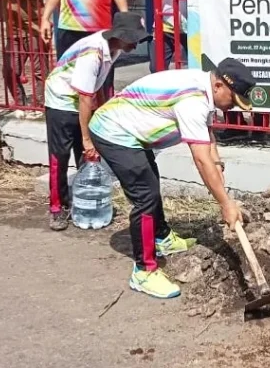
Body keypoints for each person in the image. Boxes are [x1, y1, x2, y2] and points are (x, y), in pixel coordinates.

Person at [88, 58, 255, 299]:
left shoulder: (204, 88)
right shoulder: (193, 101)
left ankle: (162, 237)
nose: (234, 107)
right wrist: (225, 204)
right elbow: (200, 159)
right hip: (113, 132)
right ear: (219, 85)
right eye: (233, 99)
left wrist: (217, 165)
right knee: (145, 196)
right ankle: (144, 271)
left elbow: (208, 138)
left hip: (131, 133)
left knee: (150, 183)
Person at [42, 12, 149, 231]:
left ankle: (85, 200)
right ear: (120, 35)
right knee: (59, 155)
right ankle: (57, 207)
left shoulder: (114, 49)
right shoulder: (93, 53)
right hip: (61, 100)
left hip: (81, 100)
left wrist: (100, 115)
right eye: (133, 38)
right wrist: (87, 137)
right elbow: (85, 97)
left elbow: (97, 85)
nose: (136, 43)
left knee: (86, 156)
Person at [207, 0, 270, 141]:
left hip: (258, 24)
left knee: (257, 73)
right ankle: (233, 125)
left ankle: (259, 127)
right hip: (231, 26)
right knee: (230, 75)